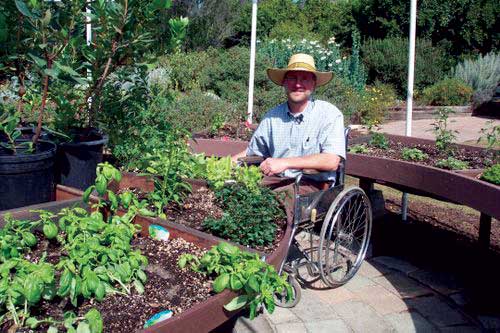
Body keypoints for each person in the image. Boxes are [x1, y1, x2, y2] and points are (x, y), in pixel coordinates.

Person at [232, 53, 346, 183]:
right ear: (284, 83)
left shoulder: (329, 114)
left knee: (259, 201)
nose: (298, 84)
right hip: (274, 182)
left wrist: (285, 163)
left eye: (304, 79)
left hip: (312, 186)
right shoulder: (272, 117)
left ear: (314, 84)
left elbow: (331, 161)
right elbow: (252, 152)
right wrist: (227, 164)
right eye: (292, 78)